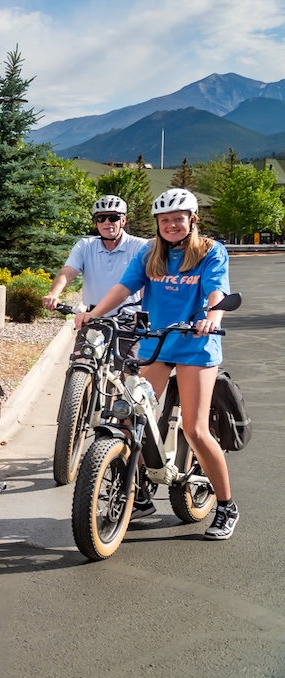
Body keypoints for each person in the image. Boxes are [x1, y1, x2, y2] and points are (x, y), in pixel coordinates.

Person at [74, 188, 238, 540]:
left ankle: (226, 505)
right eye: (165, 220)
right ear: (158, 224)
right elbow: (123, 287)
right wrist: (93, 313)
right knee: (133, 413)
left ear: (192, 219)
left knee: (194, 429)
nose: (172, 225)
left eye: (178, 218)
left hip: (196, 344)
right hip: (156, 343)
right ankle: (140, 491)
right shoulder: (151, 253)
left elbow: (216, 291)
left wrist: (212, 316)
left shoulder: (211, 251)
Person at [43, 195, 149, 313]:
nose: (107, 222)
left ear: (123, 221)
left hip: (128, 318)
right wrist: (53, 294)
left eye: (113, 217)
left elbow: (151, 281)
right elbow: (67, 272)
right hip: (92, 318)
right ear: (95, 222)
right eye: (101, 218)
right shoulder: (85, 246)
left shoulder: (140, 246)